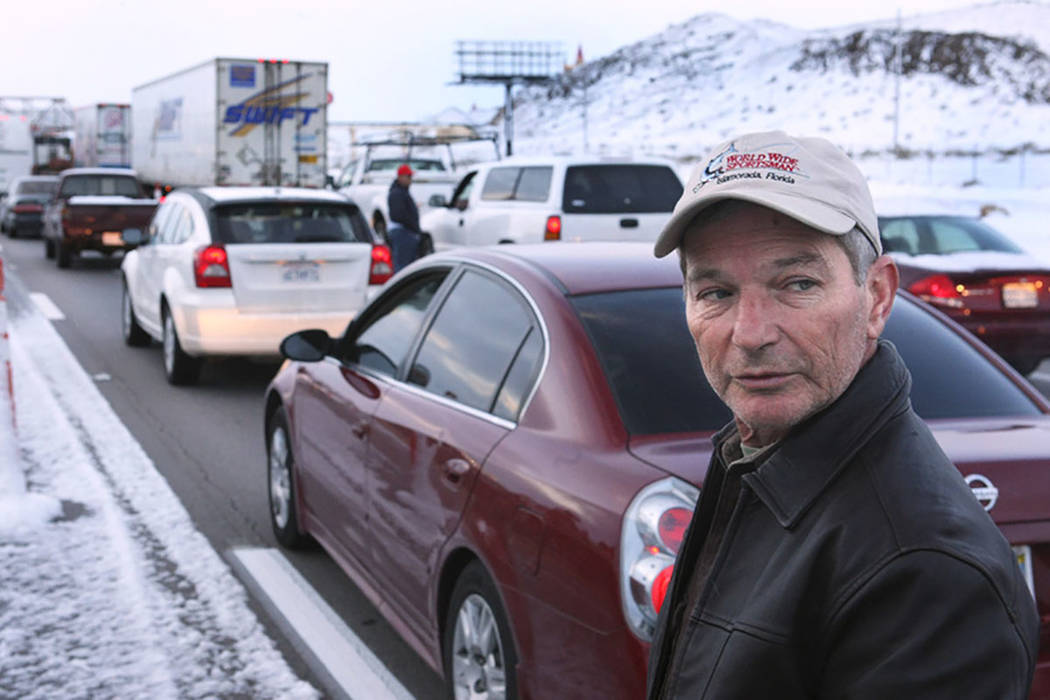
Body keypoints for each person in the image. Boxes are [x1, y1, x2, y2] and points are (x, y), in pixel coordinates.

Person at [646, 130, 1039, 699]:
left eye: (797, 284)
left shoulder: (926, 573)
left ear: (876, 296)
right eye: (715, 292)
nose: (750, 333)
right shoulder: (757, 461)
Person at [387, 163, 425, 272]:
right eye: (408, 176)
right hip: (402, 234)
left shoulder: (402, 192)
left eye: (411, 176)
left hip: (406, 233)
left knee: (408, 267)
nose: (410, 179)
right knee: (402, 268)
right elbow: (399, 215)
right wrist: (413, 227)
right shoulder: (397, 193)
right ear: (400, 177)